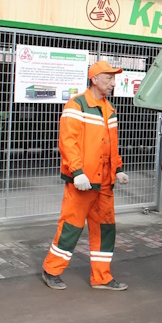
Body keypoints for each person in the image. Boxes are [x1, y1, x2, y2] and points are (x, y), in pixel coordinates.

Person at [41, 61, 130, 291]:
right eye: (109, 78)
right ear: (95, 79)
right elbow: (68, 142)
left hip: (104, 185)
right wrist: (77, 172)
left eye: (114, 78)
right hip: (82, 183)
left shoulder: (109, 109)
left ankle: (102, 277)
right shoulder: (77, 105)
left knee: (105, 230)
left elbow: (111, 145)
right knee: (71, 227)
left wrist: (118, 169)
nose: (113, 83)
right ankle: (51, 270)